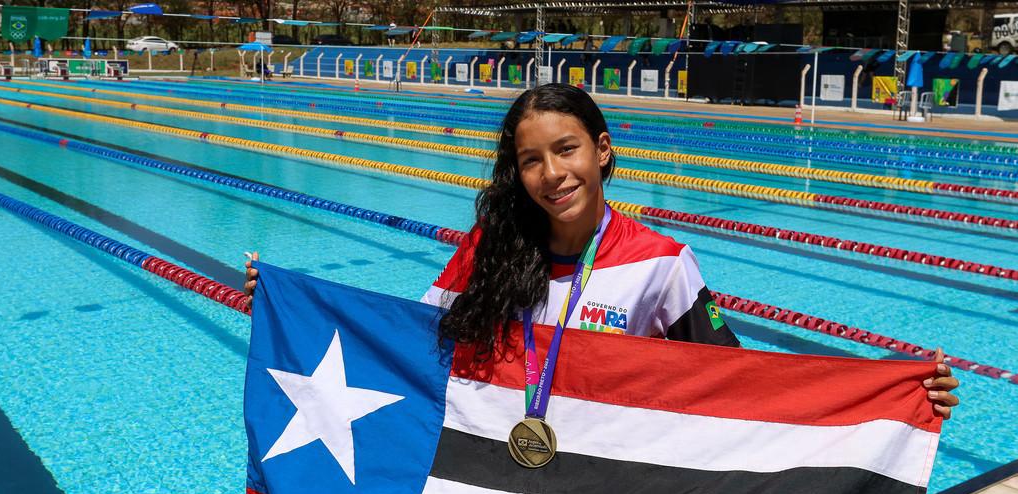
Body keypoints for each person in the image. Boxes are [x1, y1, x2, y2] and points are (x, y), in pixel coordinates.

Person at [244, 83, 958, 418]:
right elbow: (406, 337)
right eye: (530, 161)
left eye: (566, 150)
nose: (552, 174)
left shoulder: (659, 263)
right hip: (502, 465)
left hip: (606, 479)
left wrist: (885, 393)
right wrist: (289, 307)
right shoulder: (490, 250)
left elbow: (737, 377)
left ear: (602, 150)